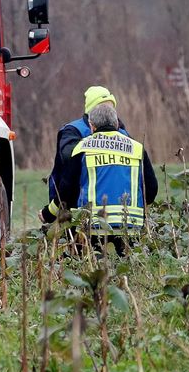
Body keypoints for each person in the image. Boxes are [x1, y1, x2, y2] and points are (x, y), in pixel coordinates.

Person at [54, 97, 157, 253]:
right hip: (130, 226)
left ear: (91, 126)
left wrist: (49, 214)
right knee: (126, 271)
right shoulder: (137, 148)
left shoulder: (82, 148)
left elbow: (66, 191)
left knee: (95, 273)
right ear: (116, 124)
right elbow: (151, 188)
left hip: (93, 227)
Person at [42, 85, 128, 224]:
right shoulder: (72, 131)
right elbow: (69, 166)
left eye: (110, 107)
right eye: (102, 106)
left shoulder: (122, 132)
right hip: (70, 205)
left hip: (112, 207)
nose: (107, 111)